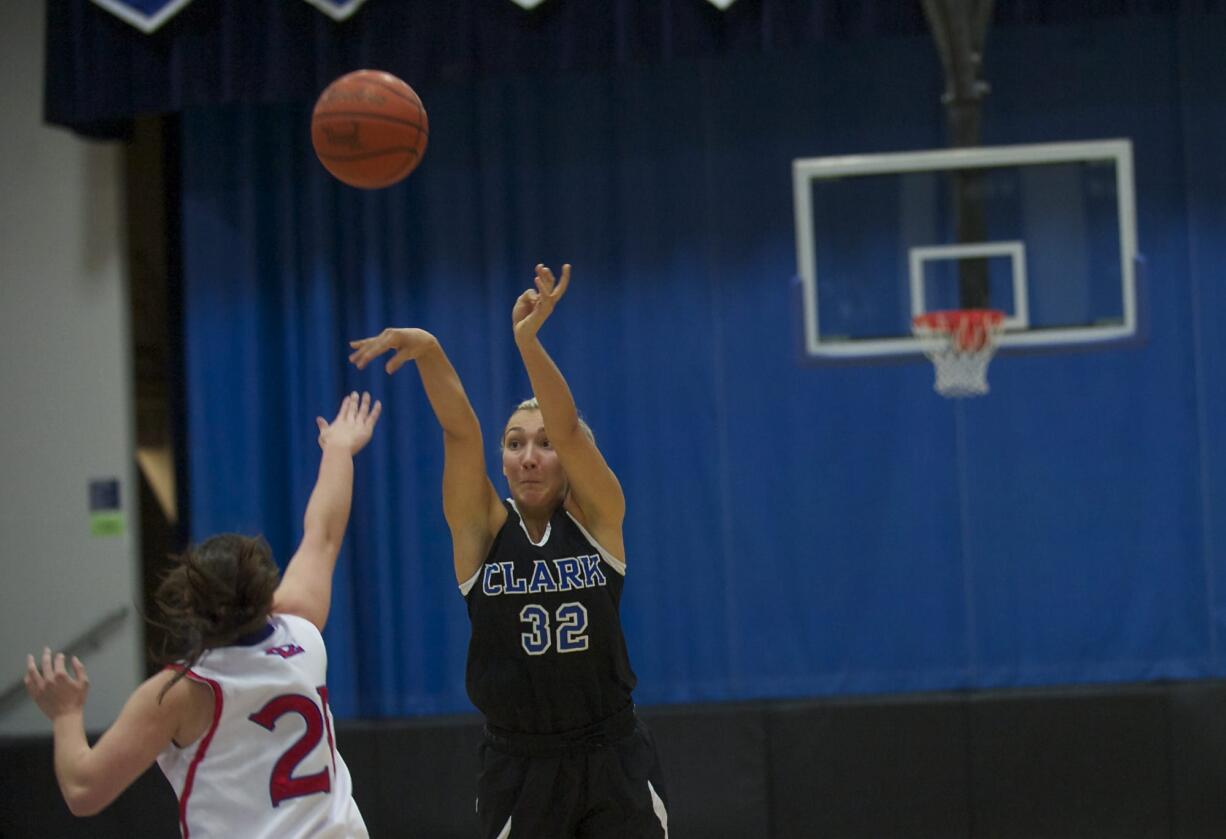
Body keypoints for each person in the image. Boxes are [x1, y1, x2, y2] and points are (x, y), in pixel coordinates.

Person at [349, 264, 669, 838]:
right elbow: (460, 431)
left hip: (613, 752)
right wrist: (429, 351)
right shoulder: (480, 531)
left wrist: (527, 341)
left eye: (544, 445)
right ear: (501, 460)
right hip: (520, 763)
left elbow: (570, 429)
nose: (529, 456)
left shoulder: (602, 518)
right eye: (515, 443)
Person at [24, 392, 382, 838]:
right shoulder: (301, 631)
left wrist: (65, 714)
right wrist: (338, 450)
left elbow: (83, 789)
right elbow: (323, 533)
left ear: (190, 606)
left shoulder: (179, 694)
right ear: (264, 594)